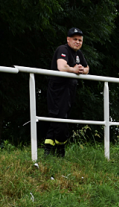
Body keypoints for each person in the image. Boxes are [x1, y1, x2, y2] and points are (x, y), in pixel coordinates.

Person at [44, 27, 89, 157]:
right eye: (75, 39)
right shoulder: (63, 49)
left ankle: (48, 150)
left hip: (70, 90)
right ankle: (60, 148)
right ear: (68, 40)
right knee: (59, 120)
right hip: (58, 89)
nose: (78, 42)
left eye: (80, 40)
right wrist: (73, 70)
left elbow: (87, 68)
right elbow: (61, 67)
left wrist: (81, 70)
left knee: (59, 120)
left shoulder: (79, 54)